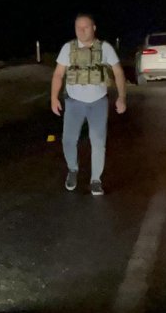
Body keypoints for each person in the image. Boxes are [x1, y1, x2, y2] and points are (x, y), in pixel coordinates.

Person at [50, 13, 127, 196]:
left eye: (85, 27)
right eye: (78, 27)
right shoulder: (68, 48)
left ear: (94, 28)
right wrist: (54, 97)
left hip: (98, 103)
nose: (81, 31)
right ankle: (72, 169)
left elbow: (118, 72)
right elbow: (58, 74)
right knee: (68, 140)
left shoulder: (105, 48)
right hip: (74, 103)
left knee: (98, 142)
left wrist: (122, 97)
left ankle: (95, 180)